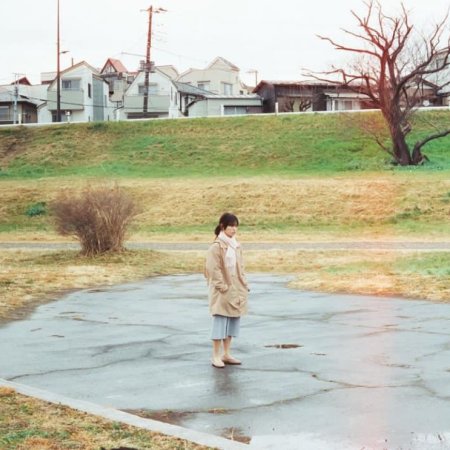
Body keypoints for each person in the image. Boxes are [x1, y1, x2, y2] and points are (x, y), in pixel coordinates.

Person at [205, 212, 249, 368]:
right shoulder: (216, 247)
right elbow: (212, 269)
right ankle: (215, 355)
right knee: (220, 321)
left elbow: (240, 267)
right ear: (222, 226)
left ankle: (226, 353)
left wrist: (244, 283)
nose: (234, 229)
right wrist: (222, 286)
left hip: (236, 288)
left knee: (232, 321)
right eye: (231, 226)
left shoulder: (236, 245)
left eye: (236, 226)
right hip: (222, 290)